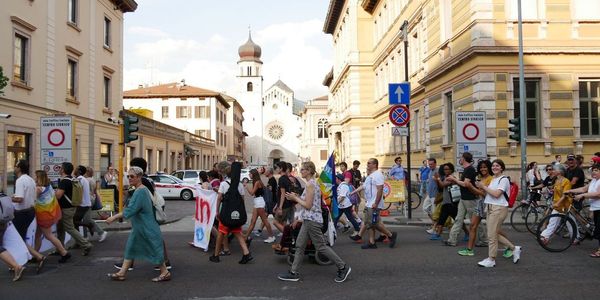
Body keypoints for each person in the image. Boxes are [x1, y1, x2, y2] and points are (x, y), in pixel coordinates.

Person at [277, 161, 352, 283]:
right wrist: (296, 196)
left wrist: (295, 198)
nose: (300, 171)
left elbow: (308, 205)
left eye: (303, 169)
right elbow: (307, 202)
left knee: (321, 247)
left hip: (312, 221)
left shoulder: (311, 184)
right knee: (300, 245)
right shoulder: (311, 184)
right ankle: (293, 272)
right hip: (308, 219)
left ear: (309, 171)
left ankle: (343, 267)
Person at [106, 166, 170, 282]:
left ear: (139, 177)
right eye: (128, 176)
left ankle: (165, 272)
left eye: (132, 176)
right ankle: (122, 273)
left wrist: (113, 217)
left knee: (154, 249)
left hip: (146, 227)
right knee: (130, 248)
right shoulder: (141, 189)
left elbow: (131, 210)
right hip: (141, 227)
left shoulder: (140, 191)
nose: (129, 178)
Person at [475, 159, 522, 267]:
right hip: (491, 208)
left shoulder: (503, 179)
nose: (494, 167)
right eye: (493, 166)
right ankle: (514, 248)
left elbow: (496, 194)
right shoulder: (494, 179)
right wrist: (480, 187)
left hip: (499, 208)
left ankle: (491, 259)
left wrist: (483, 187)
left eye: (497, 166)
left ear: (502, 168)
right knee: (493, 234)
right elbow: (489, 194)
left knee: (491, 236)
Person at [209, 161, 253, 264]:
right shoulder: (240, 185)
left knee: (221, 233)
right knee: (237, 233)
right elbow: (242, 200)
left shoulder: (224, 184)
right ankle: (246, 253)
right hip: (236, 213)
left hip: (226, 213)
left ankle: (216, 255)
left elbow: (219, 198)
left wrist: (216, 211)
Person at [349, 158, 397, 249]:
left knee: (373, 223)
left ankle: (390, 235)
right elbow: (363, 186)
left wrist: (376, 202)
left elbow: (380, 189)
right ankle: (372, 242)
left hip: (374, 204)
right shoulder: (370, 176)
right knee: (369, 223)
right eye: (367, 163)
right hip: (369, 203)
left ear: (375, 165)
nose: (367, 164)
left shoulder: (378, 175)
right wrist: (353, 192)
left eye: (369, 163)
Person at [11, 160, 46, 271]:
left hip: (22, 213)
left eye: (15, 166)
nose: (14, 167)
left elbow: (20, 199)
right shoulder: (30, 179)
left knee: (17, 239)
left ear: (19, 168)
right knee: (20, 238)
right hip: (30, 211)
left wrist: (8, 198)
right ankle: (18, 262)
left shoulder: (20, 180)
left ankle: (37, 257)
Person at [445, 152, 484, 247]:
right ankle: (452, 240)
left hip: (469, 198)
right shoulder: (466, 169)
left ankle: (484, 240)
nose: (460, 159)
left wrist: (454, 180)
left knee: (475, 221)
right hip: (464, 198)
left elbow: (465, 184)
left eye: (461, 158)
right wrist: (455, 179)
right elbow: (463, 182)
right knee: (458, 219)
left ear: (464, 159)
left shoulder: (469, 169)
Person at [56, 162, 93, 255]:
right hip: (70, 207)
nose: (59, 169)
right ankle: (60, 249)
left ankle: (86, 244)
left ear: (63, 170)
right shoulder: (72, 179)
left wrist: (52, 193)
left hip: (66, 209)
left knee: (70, 228)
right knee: (60, 228)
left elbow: (58, 195)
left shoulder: (64, 181)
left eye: (60, 168)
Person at [33, 170, 70, 263]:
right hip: (48, 213)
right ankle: (35, 255)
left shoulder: (38, 189)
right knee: (38, 235)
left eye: (35, 177)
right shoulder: (48, 186)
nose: (34, 178)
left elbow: (33, 201)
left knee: (49, 236)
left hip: (43, 215)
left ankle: (64, 253)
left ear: (39, 178)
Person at [458, 160, 493, 256]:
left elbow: (485, 194)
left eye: (485, 167)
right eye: (481, 167)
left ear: (489, 168)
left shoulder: (491, 179)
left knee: (495, 230)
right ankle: (469, 250)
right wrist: (471, 188)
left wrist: (472, 187)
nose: (483, 169)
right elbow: (478, 193)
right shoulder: (481, 178)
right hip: (480, 204)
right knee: (472, 226)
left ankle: (510, 247)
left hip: (488, 205)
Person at [567, 164, 600, 257]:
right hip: (596, 208)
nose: (593, 172)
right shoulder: (594, 181)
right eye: (593, 170)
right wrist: (570, 191)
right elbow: (583, 189)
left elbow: (598, 194)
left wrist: (582, 195)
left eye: (596, 170)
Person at [539, 164, 577, 245]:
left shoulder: (566, 181)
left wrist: (557, 204)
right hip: (557, 204)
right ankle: (545, 236)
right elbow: (556, 191)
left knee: (570, 222)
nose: (552, 171)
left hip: (565, 205)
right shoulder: (557, 180)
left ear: (559, 172)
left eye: (554, 170)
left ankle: (576, 237)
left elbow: (565, 195)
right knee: (553, 221)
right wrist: (550, 191)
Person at [244, 169, 276, 244]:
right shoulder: (257, 181)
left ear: (253, 174)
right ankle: (246, 236)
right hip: (257, 202)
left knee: (264, 220)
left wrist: (246, 186)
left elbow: (252, 193)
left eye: (250, 174)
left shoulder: (257, 182)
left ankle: (271, 236)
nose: (249, 175)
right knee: (253, 221)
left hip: (259, 202)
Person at [273, 161, 295, 233]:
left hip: (284, 206)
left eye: (277, 168)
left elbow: (282, 194)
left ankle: (289, 236)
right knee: (284, 223)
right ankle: (285, 242)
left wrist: (280, 208)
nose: (276, 169)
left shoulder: (282, 179)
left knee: (275, 222)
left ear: (281, 168)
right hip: (288, 204)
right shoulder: (287, 178)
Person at [423, 158, 438, 231]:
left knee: (435, 212)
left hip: (435, 195)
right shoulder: (430, 171)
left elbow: (440, 182)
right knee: (425, 208)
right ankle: (435, 223)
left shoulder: (437, 171)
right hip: (429, 194)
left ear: (435, 164)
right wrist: (427, 193)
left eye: (431, 164)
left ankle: (435, 226)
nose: (430, 165)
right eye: (429, 164)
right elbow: (430, 183)